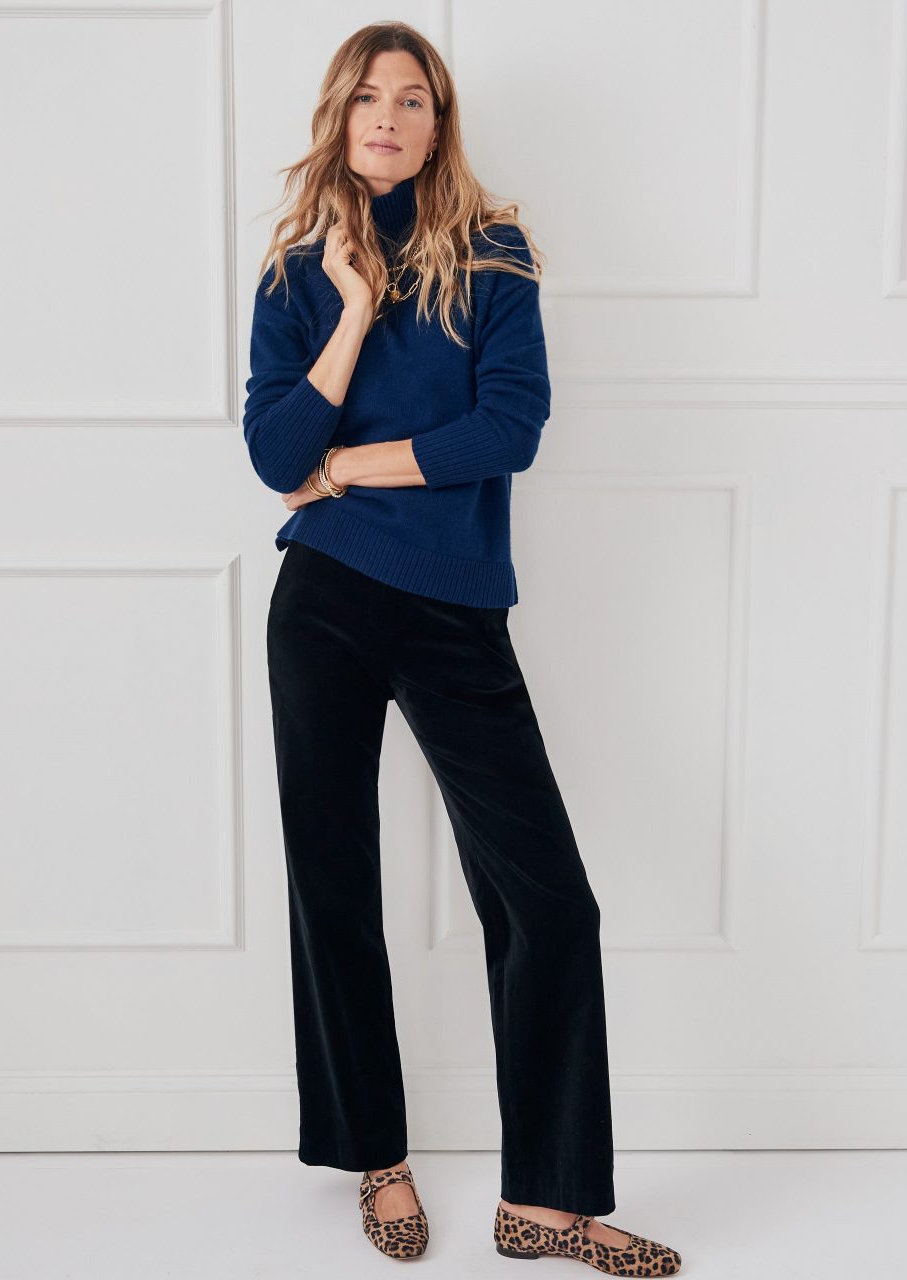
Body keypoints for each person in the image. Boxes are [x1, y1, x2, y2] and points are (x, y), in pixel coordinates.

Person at [242, 20, 682, 1276]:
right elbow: (272, 457)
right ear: (339, 115)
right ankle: (375, 1157)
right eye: (367, 97)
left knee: (549, 902)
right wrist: (353, 311)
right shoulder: (297, 273)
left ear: (440, 125)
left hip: (453, 608)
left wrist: (347, 468)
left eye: (413, 99)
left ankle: (545, 1201)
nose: (387, 117)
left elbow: (510, 428)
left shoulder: (494, 252)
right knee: (333, 883)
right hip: (324, 600)